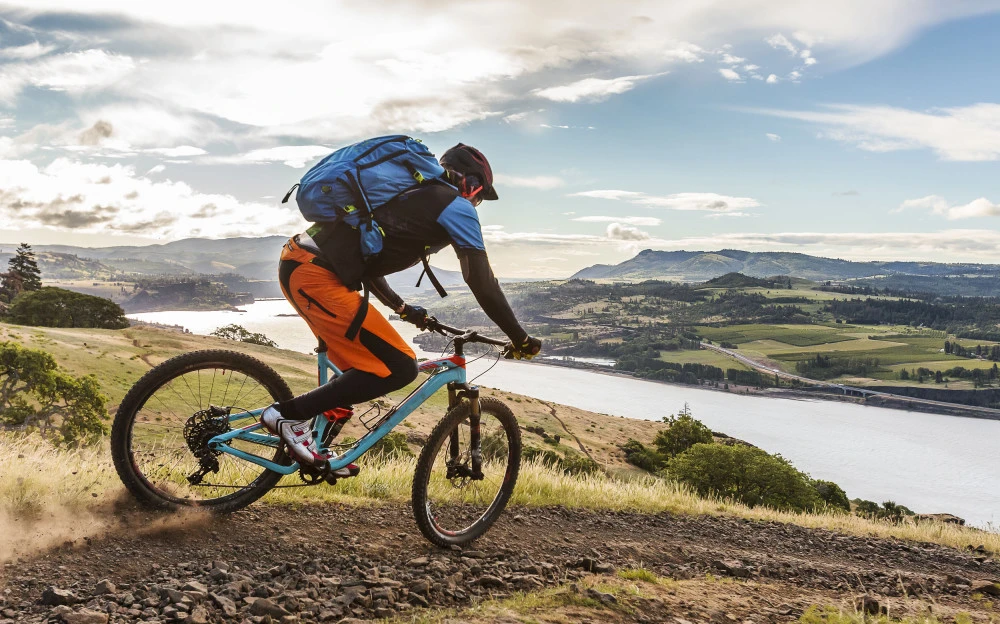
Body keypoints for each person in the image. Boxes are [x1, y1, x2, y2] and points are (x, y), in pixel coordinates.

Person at [262, 142, 542, 472]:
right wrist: (520, 338)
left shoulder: (405, 199)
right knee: (400, 367)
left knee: (359, 370)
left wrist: (405, 309)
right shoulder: (455, 206)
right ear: (471, 184)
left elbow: (369, 264)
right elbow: (480, 280)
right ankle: (285, 416)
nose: (477, 203)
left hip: (300, 264)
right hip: (315, 275)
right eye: (480, 196)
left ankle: (316, 447)